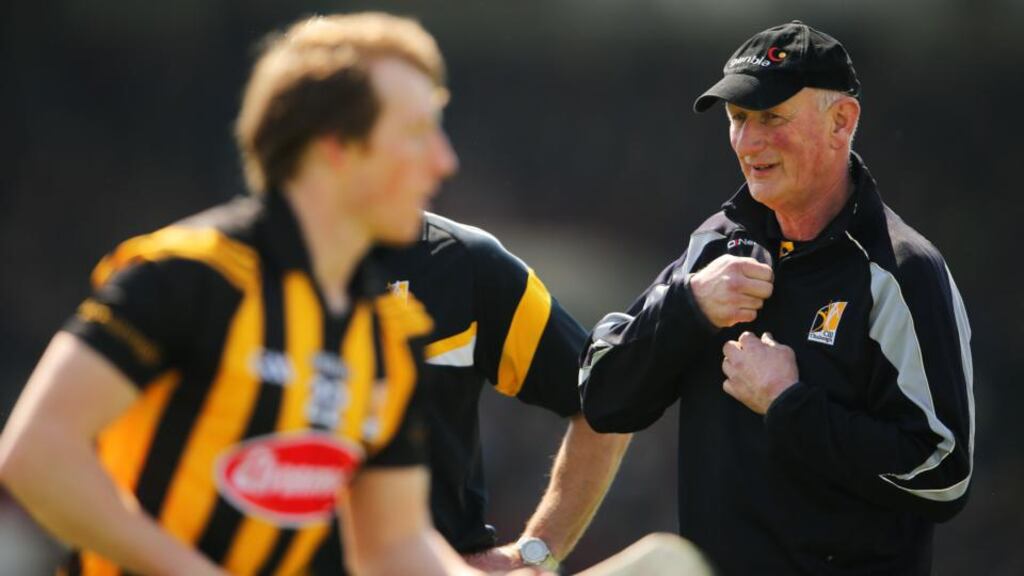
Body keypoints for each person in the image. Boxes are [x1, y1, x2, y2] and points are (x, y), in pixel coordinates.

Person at [0, 12, 483, 575]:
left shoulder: (388, 338)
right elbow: (36, 455)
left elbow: (393, 546)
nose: (443, 161)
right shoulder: (189, 276)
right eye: (417, 133)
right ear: (335, 147)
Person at [579, 21, 974, 575]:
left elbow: (944, 475)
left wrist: (790, 404)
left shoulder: (903, 271)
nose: (749, 141)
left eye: (771, 118)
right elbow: (602, 395)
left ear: (842, 122)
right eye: (738, 119)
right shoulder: (712, 246)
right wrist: (688, 307)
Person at [372, 213, 632, 571]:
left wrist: (537, 551)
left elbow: (612, 403)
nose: (443, 160)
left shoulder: (464, 262)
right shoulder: (268, 260)